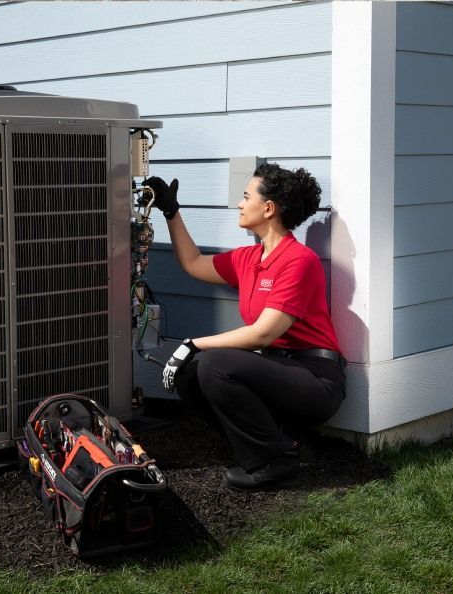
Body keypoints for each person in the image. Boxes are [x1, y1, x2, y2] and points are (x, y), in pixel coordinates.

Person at [145, 164, 345, 492]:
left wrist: (193, 344)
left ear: (268, 208)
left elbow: (264, 333)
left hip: (316, 379)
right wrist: (171, 212)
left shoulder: (299, 260)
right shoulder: (249, 258)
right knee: (191, 375)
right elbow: (193, 263)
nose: (239, 204)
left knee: (214, 363)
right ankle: (263, 444)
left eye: (246, 196)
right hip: (277, 369)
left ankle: (277, 462)